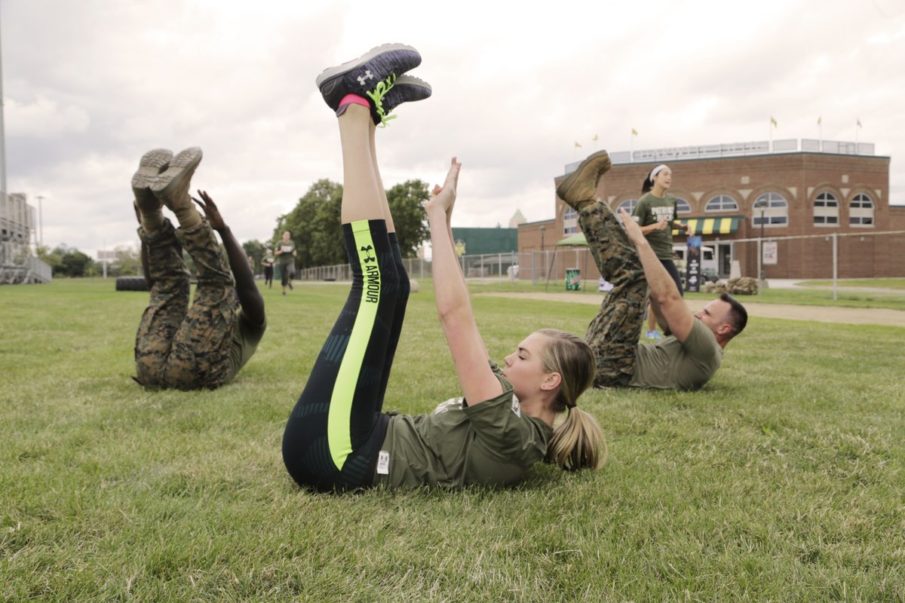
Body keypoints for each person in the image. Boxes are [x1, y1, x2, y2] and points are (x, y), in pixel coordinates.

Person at [282, 43, 604, 492]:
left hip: (333, 454)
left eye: (524, 355)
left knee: (376, 286)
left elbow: (456, 317)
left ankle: (351, 104)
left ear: (550, 381)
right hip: (358, 436)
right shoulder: (507, 405)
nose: (511, 356)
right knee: (392, 284)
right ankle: (365, 116)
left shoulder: (514, 436)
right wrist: (444, 218)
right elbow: (461, 319)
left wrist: (437, 218)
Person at [557, 150, 748, 391]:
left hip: (615, 369)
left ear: (724, 329)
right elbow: (661, 302)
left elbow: (669, 299)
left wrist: (641, 242)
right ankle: (585, 202)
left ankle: (585, 202)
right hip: (611, 359)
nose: (699, 314)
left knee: (635, 277)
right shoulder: (695, 345)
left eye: (708, 314)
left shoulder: (708, 348)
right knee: (638, 278)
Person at [130, 147, 266, 390]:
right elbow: (156, 287)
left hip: (151, 366)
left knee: (186, 286)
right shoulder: (217, 320)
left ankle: (172, 210)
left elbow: (245, 287)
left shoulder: (252, 326)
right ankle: (157, 214)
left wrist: (224, 230)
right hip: (184, 370)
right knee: (172, 287)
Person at [632, 164, 688, 339]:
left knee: (676, 292)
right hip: (649, 255)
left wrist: (682, 226)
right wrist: (656, 226)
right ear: (654, 178)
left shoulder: (671, 201)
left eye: (671, 174)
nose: (669, 177)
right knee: (654, 295)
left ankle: (671, 329)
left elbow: (671, 222)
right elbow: (633, 229)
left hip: (666, 254)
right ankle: (650, 330)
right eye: (665, 174)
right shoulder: (644, 202)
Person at [275, 231, 296, 295]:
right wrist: (281, 251)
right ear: (283, 236)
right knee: (284, 278)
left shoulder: (292, 243)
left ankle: (290, 282)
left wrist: (294, 253)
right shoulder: (279, 243)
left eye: (288, 235)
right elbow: (275, 253)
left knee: (292, 272)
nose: (287, 236)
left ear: (289, 236)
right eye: (285, 235)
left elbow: (294, 251)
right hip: (282, 262)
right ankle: (284, 291)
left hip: (290, 261)